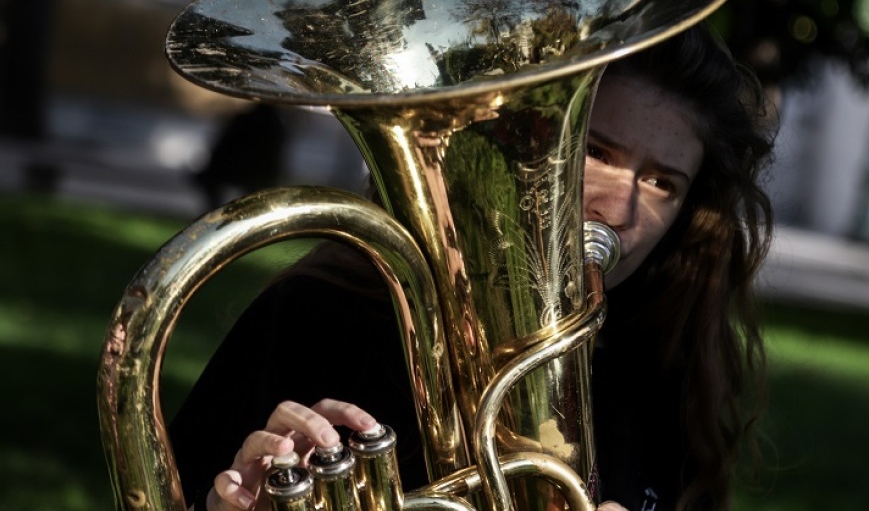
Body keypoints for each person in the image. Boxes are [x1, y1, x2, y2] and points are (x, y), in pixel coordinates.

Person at [169, 25, 776, 511]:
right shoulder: (317, 317)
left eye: (663, 182)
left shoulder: (660, 370)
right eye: (595, 151)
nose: (620, 209)